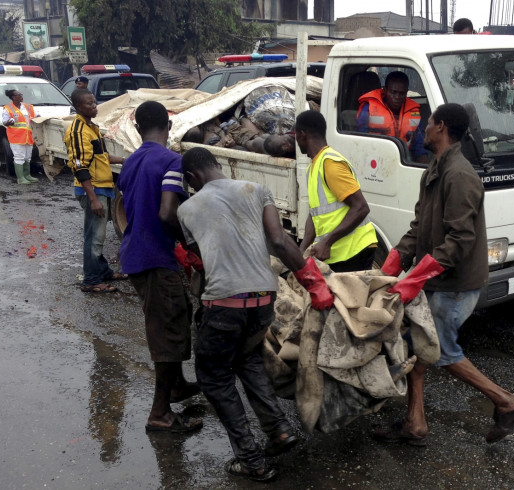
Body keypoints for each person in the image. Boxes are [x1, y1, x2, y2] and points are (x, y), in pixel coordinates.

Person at [374, 103, 514, 446]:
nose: (423, 128)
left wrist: (415, 277)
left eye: (428, 123)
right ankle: (415, 423)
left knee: (439, 350)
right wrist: (396, 259)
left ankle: (507, 401)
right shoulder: (434, 170)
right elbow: (419, 227)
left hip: (456, 285)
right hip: (438, 279)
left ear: (441, 127)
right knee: (418, 346)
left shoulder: (459, 175)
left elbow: (460, 240)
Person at [177, 146, 334, 482]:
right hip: (264, 300)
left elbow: (200, 258)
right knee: (247, 360)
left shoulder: (187, 209)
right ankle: (278, 429)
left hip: (224, 306)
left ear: (192, 178)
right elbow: (279, 241)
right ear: (218, 166)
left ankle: (250, 458)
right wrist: (314, 284)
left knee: (214, 377)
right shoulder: (256, 189)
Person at [116, 101, 202, 433]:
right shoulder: (171, 161)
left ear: (137, 129)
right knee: (166, 332)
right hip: (156, 257)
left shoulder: (130, 162)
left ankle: (177, 385)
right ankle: (160, 413)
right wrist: (191, 247)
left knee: (173, 316)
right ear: (169, 124)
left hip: (135, 253)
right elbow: (168, 213)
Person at [296, 110, 378, 272]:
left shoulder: (330, 163)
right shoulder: (313, 167)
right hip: (340, 253)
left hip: (355, 250)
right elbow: (315, 214)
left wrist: (327, 242)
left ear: (303, 134)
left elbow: (361, 207)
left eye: (296, 135)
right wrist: (301, 252)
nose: (296, 141)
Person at [65, 88, 128, 293]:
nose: (94, 106)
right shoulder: (78, 131)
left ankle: (103, 272)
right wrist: (93, 199)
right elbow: (79, 166)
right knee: (95, 237)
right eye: (89, 104)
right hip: (93, 190)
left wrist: (126, 160)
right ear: (78, 107)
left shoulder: (91, 127)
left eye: (94, 102)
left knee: (96, 235)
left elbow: (102, 157)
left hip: (104, 187)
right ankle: (91, 280)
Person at [356, 71, 428, 162]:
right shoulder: (368, 108)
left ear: (406, 93)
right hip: (374, 159)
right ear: (385, 90)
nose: (397, 97)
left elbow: (419, 147)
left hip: (404, 160)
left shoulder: (413, 113)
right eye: (393, 92)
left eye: (402, 93)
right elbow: (360, 142)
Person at [2, 88, 39, 185]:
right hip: (16, 137)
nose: (21, 96)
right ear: (13, 97)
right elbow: (5, 122)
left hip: (28, 136)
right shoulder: (8, 108)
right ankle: (20, 178)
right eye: (18, 95)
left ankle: (27, 175)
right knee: (19, 157)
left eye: (21, 94)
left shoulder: (28, 107)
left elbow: (36, 116)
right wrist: (9, 122)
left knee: (27, 157)